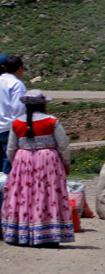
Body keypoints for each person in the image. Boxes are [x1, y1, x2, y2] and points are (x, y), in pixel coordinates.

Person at [1, 90, 74, 247]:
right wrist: (65, 162)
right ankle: (47, 235)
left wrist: (17, 166)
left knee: (24, 196)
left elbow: (11, 149)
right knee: (47, 195)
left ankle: (22, 234)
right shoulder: (52, 122)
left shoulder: (17, 123)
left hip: (23, 160)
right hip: (47, 161)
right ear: (43, 104)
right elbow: (63, 145)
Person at [0, 55, 28, 174]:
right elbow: (19, 109)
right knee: (9, 162)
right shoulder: (16, 84)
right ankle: (6, 190)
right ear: (20, 68)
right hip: (9, 128)